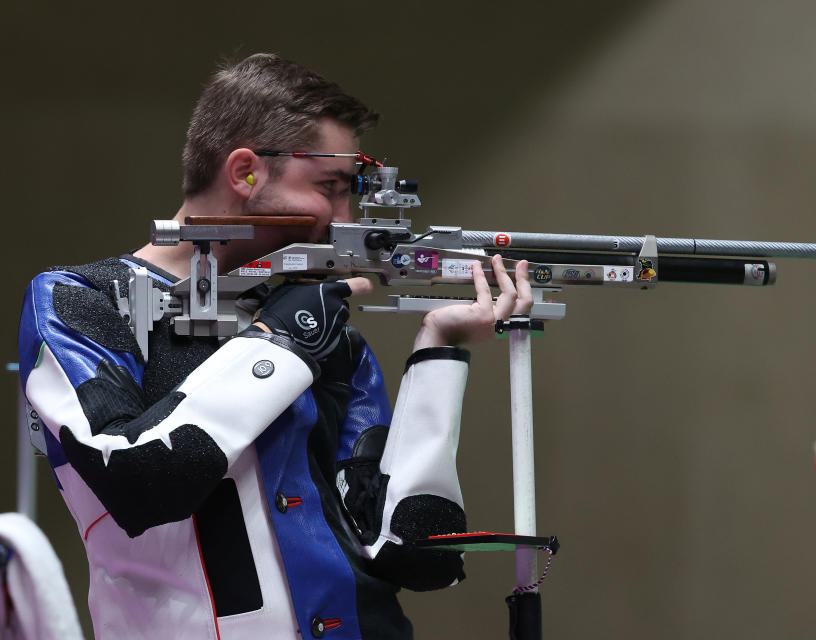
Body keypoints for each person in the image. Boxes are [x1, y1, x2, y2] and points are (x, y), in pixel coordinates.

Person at [17, 53, 532, 640]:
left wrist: (439, 351)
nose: (347, 219)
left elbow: (413, 555)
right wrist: (282, 340)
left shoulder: (316, 330)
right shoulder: (81, 300)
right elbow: (137, 481)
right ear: (244, 173)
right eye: (331, 189)